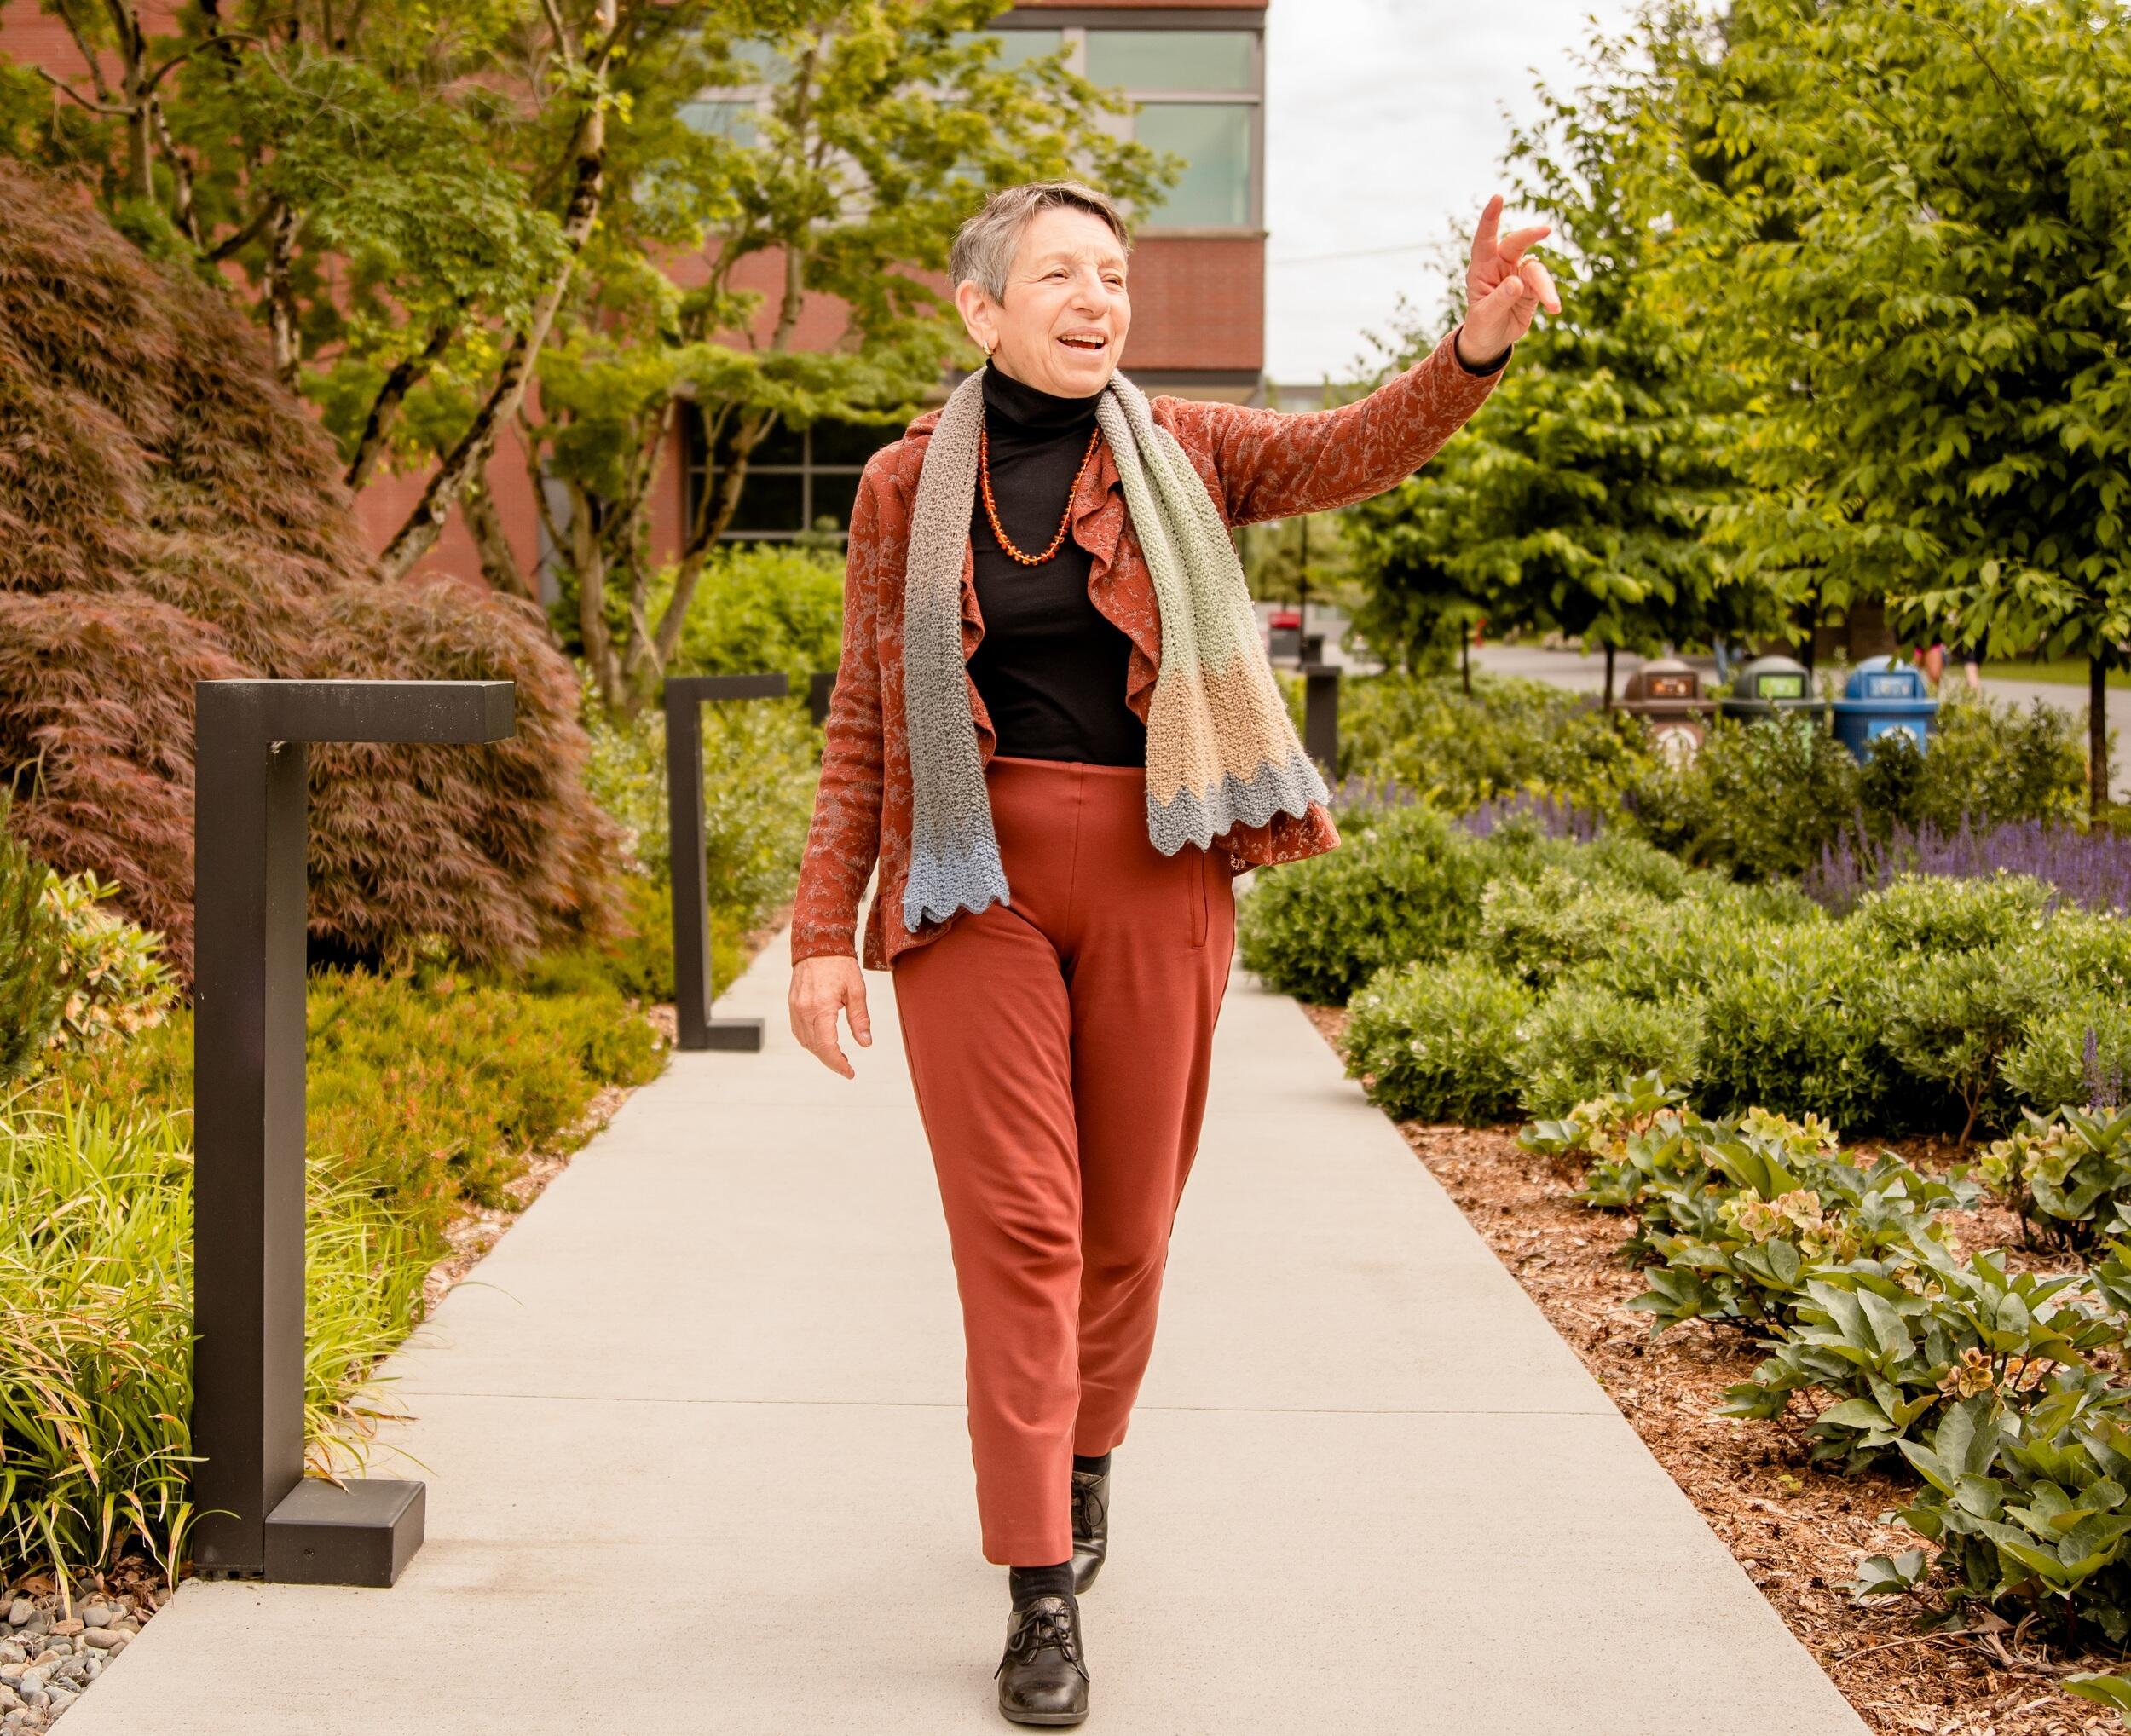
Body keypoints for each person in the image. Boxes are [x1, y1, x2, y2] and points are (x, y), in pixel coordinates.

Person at [785, 179, 1555, 1726]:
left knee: (1128, 1223)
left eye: (1114, 277)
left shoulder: (1187, 451)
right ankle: (1036, 1589)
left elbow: (1344, 451)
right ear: (980, 307)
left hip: (1158, 861)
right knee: (1023, 1231)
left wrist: (1468, 349)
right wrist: (820, 932)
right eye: (1061, 275)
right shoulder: (900, 483)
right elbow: (869, 709)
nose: (1096, 299)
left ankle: (1084, 1457)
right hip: (969, 874)